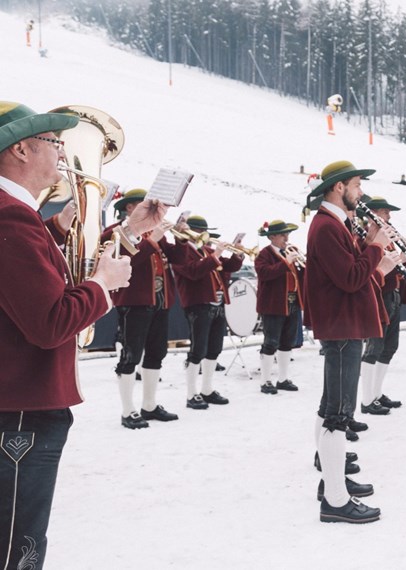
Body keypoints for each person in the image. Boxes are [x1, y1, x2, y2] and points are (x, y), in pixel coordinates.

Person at [1, 101, 164, 568]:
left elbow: (41, 274)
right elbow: (50, 321)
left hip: (20, 408)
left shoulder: (18, 215)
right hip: (20, 411)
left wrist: (128, 231)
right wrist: (102, 285)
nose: (62, 154)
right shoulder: (10, 217)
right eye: (55, 143)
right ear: (21, 149)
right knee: (17, 545)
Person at [303, 160, 398, 524]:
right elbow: (349, 278)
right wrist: (375, 247)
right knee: (338, 414)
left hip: (343, 324)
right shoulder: (326, 227)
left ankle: (332, 482)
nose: (361, 192)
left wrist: (375, 260)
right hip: (341, 327)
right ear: (338, 187)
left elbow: (352, 274)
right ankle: (335, 500)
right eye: (357, 185)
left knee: (333, 406)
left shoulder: (332, 224)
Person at [103, 188, 180, 429]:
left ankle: (149, 405)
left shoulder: (151, 232)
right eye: (143, 205)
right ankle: (128, 410)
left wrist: (179, 237)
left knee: (156, 353)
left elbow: (177, 259)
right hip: (134, 302)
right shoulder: (114, 233)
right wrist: (152, 241)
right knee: (130, 356)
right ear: (129, 208)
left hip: (159, 300)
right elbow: (123, 260)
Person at [170, 215, 245, 410]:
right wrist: (215, 255)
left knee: (214, 349)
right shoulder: (181, 253)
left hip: (217, 304)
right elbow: (193, 272)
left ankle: (207, 389)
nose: (204, 236)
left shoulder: (207, 250)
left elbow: (230, 266)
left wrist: (237, 252)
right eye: (200, 232)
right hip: (198, 304)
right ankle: (191, 393)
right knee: (198, 350)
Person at [359, 197, 406, 415]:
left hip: (393, 293)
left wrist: (404, 258)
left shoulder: (385, 238)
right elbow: (369, 265)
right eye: (386, 213)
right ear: (375, 214)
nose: (389, 217)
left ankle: (376, 393)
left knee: (390, 346)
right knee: (374, 348)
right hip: (379, 295)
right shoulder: (368, 238)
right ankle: (367, 399)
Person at [254, 219, 304, 395]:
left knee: (287, 342)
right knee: (271, 342)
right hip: (273, 305)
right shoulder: (263, 255)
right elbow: (265, 274)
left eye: (287, 234)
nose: (286, 237)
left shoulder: (291, 251)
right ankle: (265, 381)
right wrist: (286, 263)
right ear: (272, 237)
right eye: (283, 234)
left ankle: (282, 379)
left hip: (292, 302)